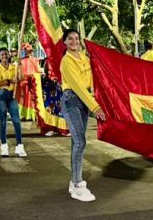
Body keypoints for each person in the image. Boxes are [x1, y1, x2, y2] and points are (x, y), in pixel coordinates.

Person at [60, 29, 106, 202]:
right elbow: (78, 87)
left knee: (76, 142)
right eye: (70, 39)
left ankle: (75, 182)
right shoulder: (66, 61)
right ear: (64, 42)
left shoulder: (85, 59)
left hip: (84, 101)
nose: (74, 41)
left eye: (76, 38)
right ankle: (77, 183)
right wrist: (95, 107)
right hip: (71, 100)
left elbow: (92, 82)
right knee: (80, 141)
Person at [0, 48, 26, 157]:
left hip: (12, 96)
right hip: (0, 96)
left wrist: (20, 66)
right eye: (2, 54)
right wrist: (9, 81)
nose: (4, 56)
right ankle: (4, 146)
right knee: (3, 121)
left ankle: (19, 146)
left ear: (9, 56)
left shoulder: (13, 67)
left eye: (6, 54)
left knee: (16, 120)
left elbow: (21, 78)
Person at [15, 43, 39, 121]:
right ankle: (23, 115)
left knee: (32, 99)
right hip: (23, 83)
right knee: (23, 99)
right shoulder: (21, 61)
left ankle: (32, 115)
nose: (27, 52)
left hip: (32, 83)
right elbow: (18, 72)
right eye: (26, 50)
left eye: (29, 51)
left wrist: (34, 76)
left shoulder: (35, 60)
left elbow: (38, 71)